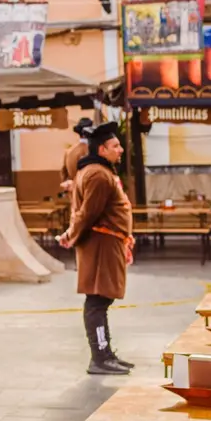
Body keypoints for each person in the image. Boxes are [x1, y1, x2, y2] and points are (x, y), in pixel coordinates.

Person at [58, 122, 134, 376]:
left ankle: (106, 354)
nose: (120, 150)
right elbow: (88, 213)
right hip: (101, 246)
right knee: (97, 301)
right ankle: (100, 357)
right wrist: (70, 234)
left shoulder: (97, 171)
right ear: (102, 149)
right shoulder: (99, 175)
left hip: (106, 243)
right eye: (115, 146)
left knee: (102, 299)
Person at [60, 117, 93, 198]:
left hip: (73, 195)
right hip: (88, 193)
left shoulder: (69, 151)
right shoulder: (91, 150)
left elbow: (64, 173)